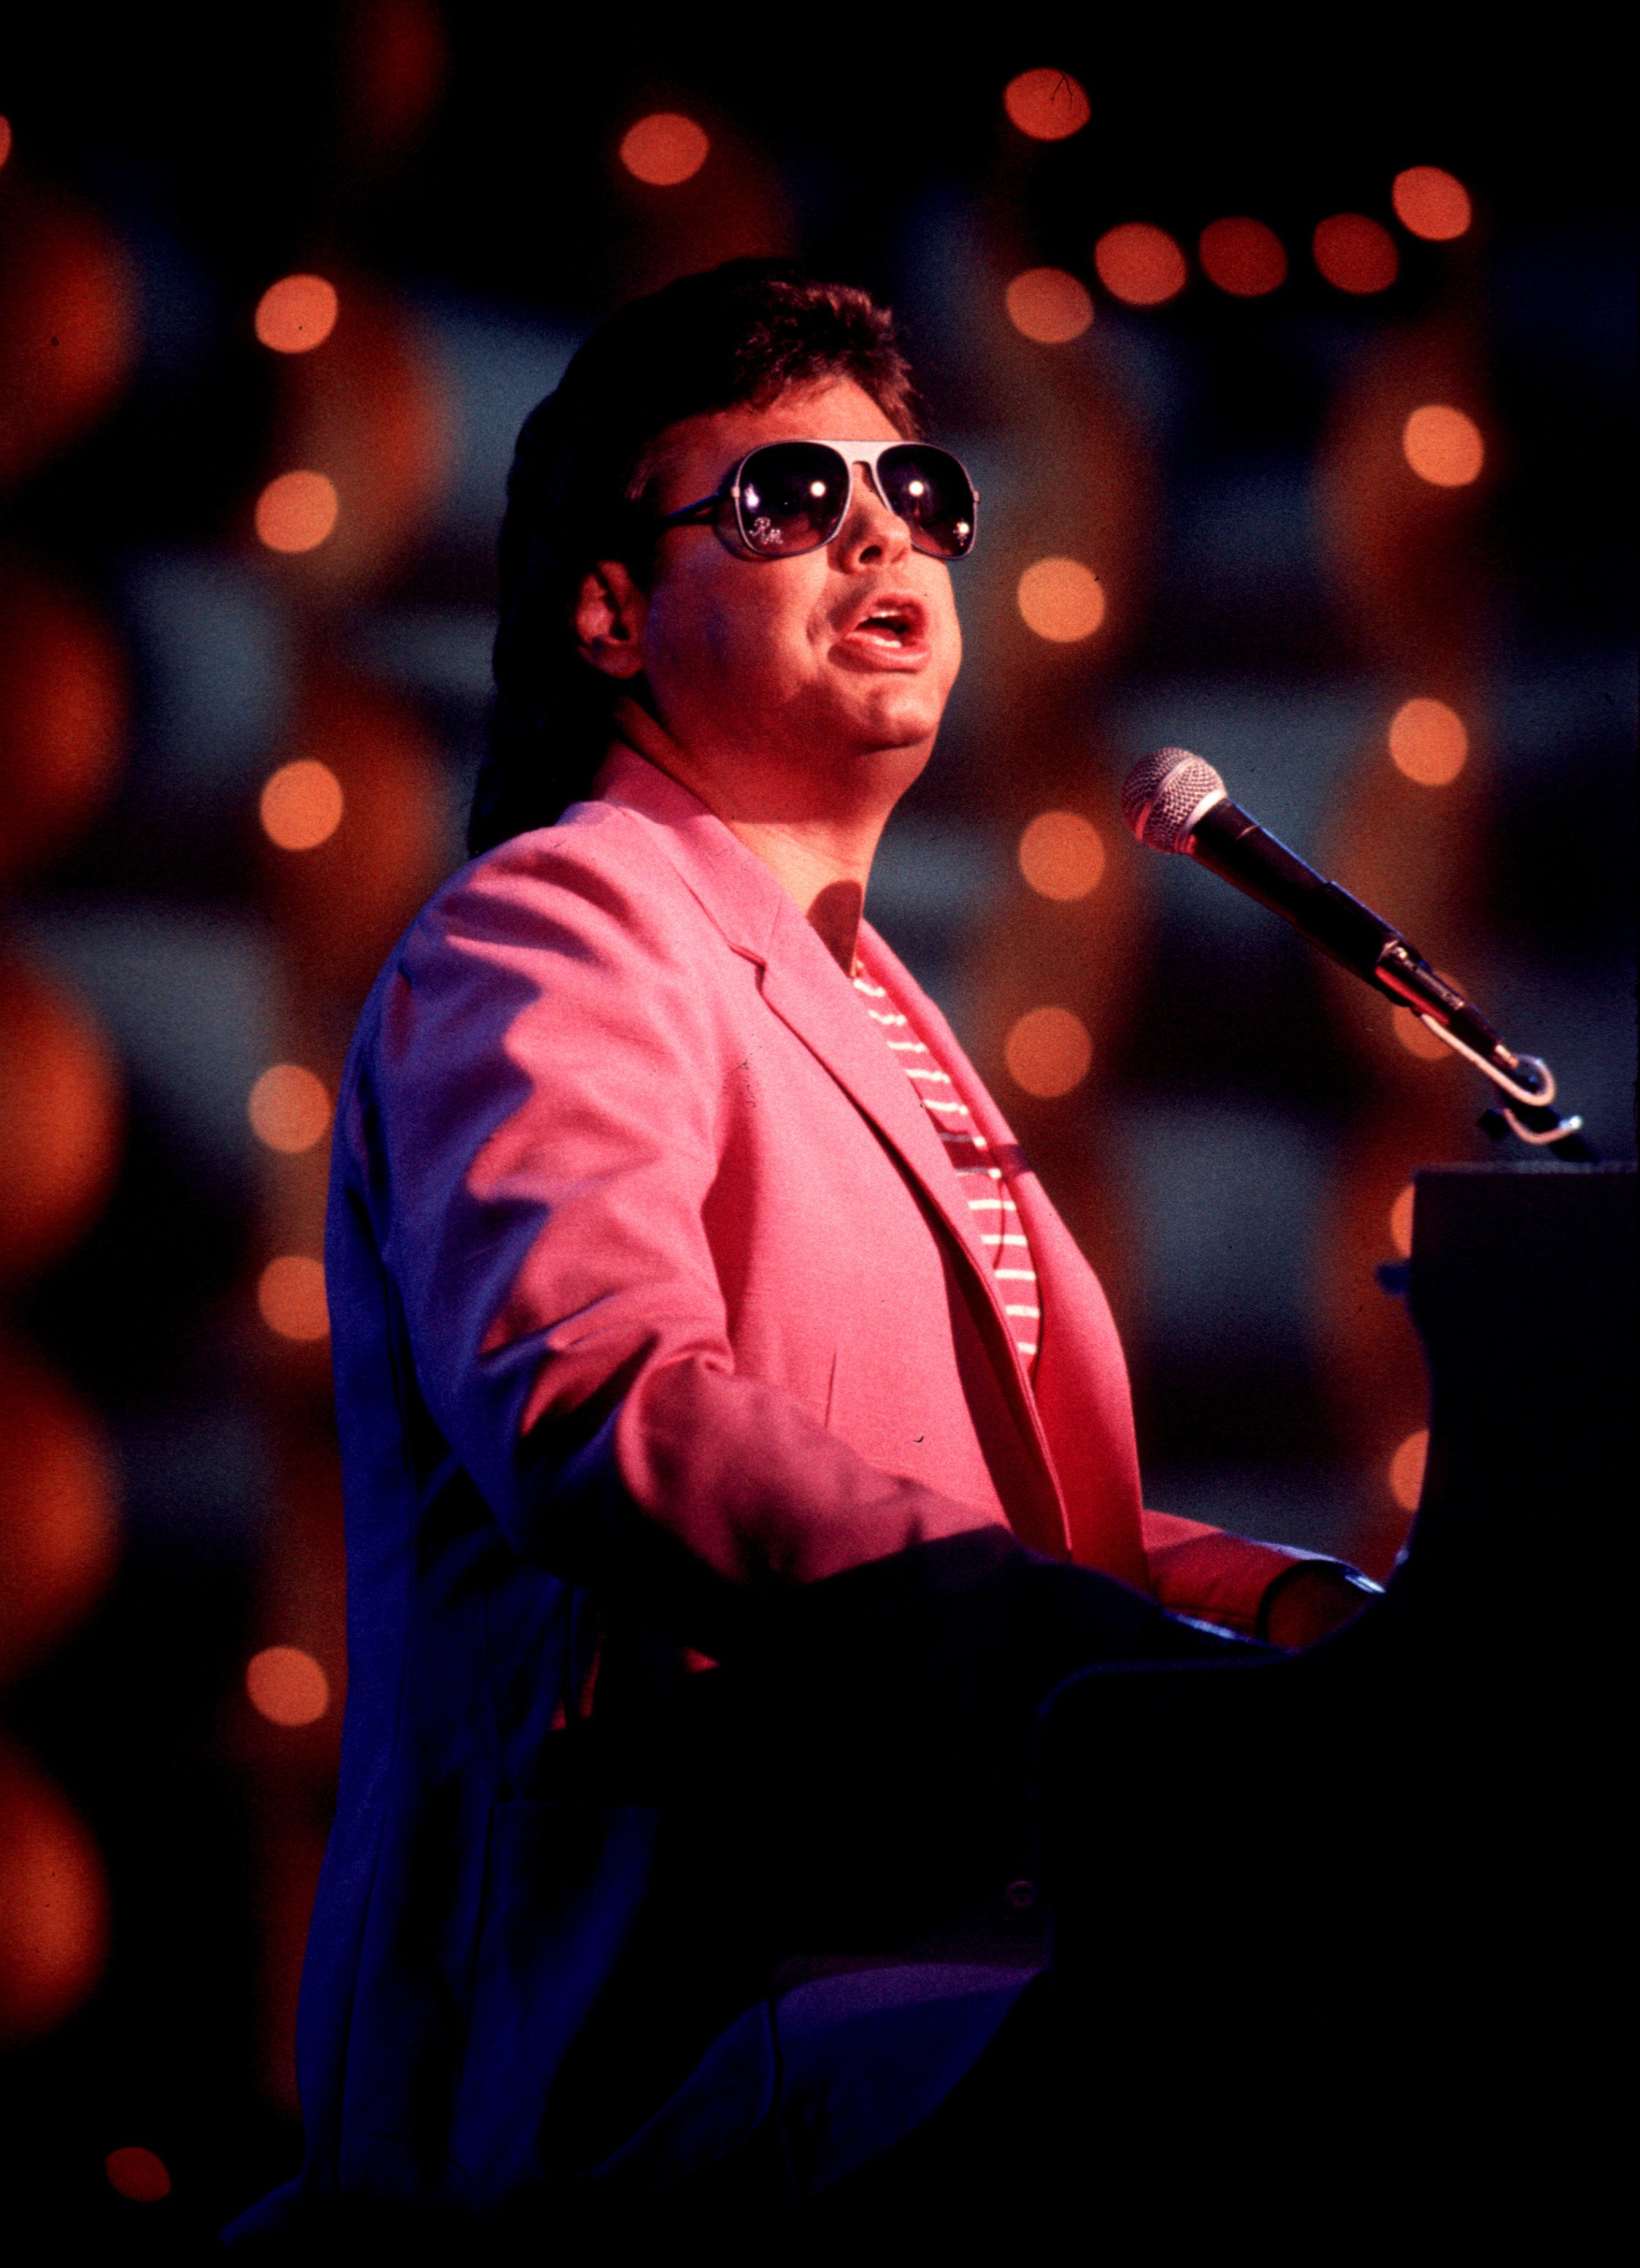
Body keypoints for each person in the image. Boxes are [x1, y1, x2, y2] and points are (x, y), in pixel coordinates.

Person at [227, 261, 1371, 2251]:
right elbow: (607, 1407)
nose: (882, 530)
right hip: (663, 2016)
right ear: (607, 607)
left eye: (918, 490)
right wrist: (1111, 1659)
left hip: (891, 1953)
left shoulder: (869, 996)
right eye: (781, 496)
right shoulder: (558, 922)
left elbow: (1004, 1526)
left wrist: (1304, 1617)